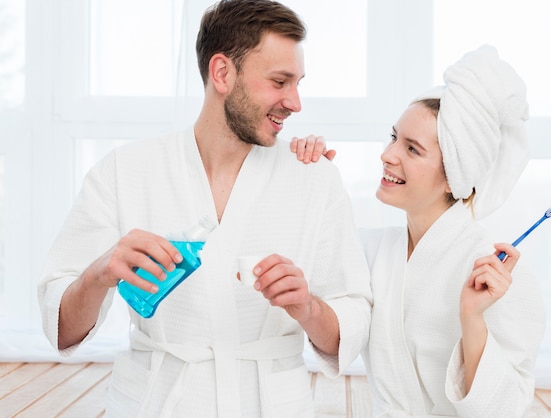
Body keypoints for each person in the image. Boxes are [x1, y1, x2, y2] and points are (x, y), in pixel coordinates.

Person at [37, 1, 372, 416]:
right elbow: (62, 330)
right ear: (222, 73)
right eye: (280, 81)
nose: (296, 102)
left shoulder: (312, 177)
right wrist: (98, 274)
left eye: (298, 83)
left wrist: (308, 308)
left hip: (270, 403)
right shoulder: (124, 172)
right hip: (156, 401)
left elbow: (351, 322)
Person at [292, 45, 546, 417]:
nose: (388, 154)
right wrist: (307, 182)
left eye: (412, 149)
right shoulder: (374, 252)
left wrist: (472, 318)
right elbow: (324, 302)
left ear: (453, 178)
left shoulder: (498, 275)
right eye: (393, 137)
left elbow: (506, 407)